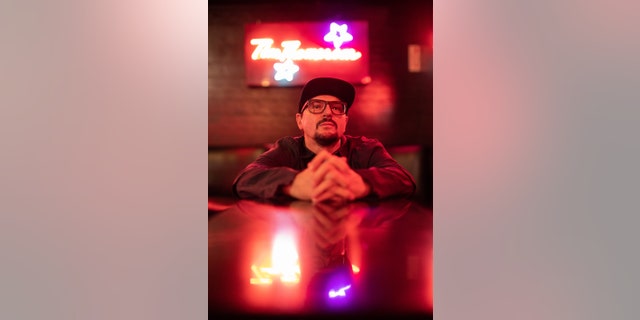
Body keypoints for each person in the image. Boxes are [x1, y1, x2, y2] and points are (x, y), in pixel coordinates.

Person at [232, 77, 416, 203]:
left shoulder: (366, 148)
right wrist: (293, 184)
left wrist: (361, 183)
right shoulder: (288, 148)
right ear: (300, 121)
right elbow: (245, 179)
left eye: (337, 108)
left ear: (345, 121)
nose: (328, 112)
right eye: (316, 106)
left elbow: (404, 179)